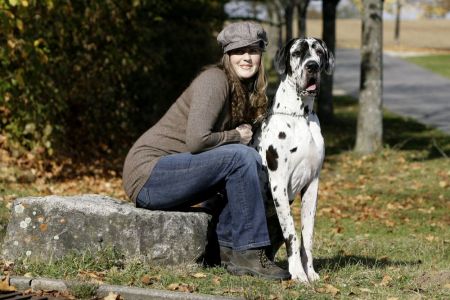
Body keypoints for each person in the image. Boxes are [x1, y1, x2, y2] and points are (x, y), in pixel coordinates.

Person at [122, 22, 290, 281]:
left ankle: (224, 250)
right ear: (227, 55)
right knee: (241, 156)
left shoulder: (245, 90)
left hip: (174, 174)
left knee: (251, 163)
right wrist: (237, 136)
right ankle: (249, 252)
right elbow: (197, 141)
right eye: (239, 51)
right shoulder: (214, 80)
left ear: (260, 55)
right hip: (149, 176)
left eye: (253, 51)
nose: (247, 57)